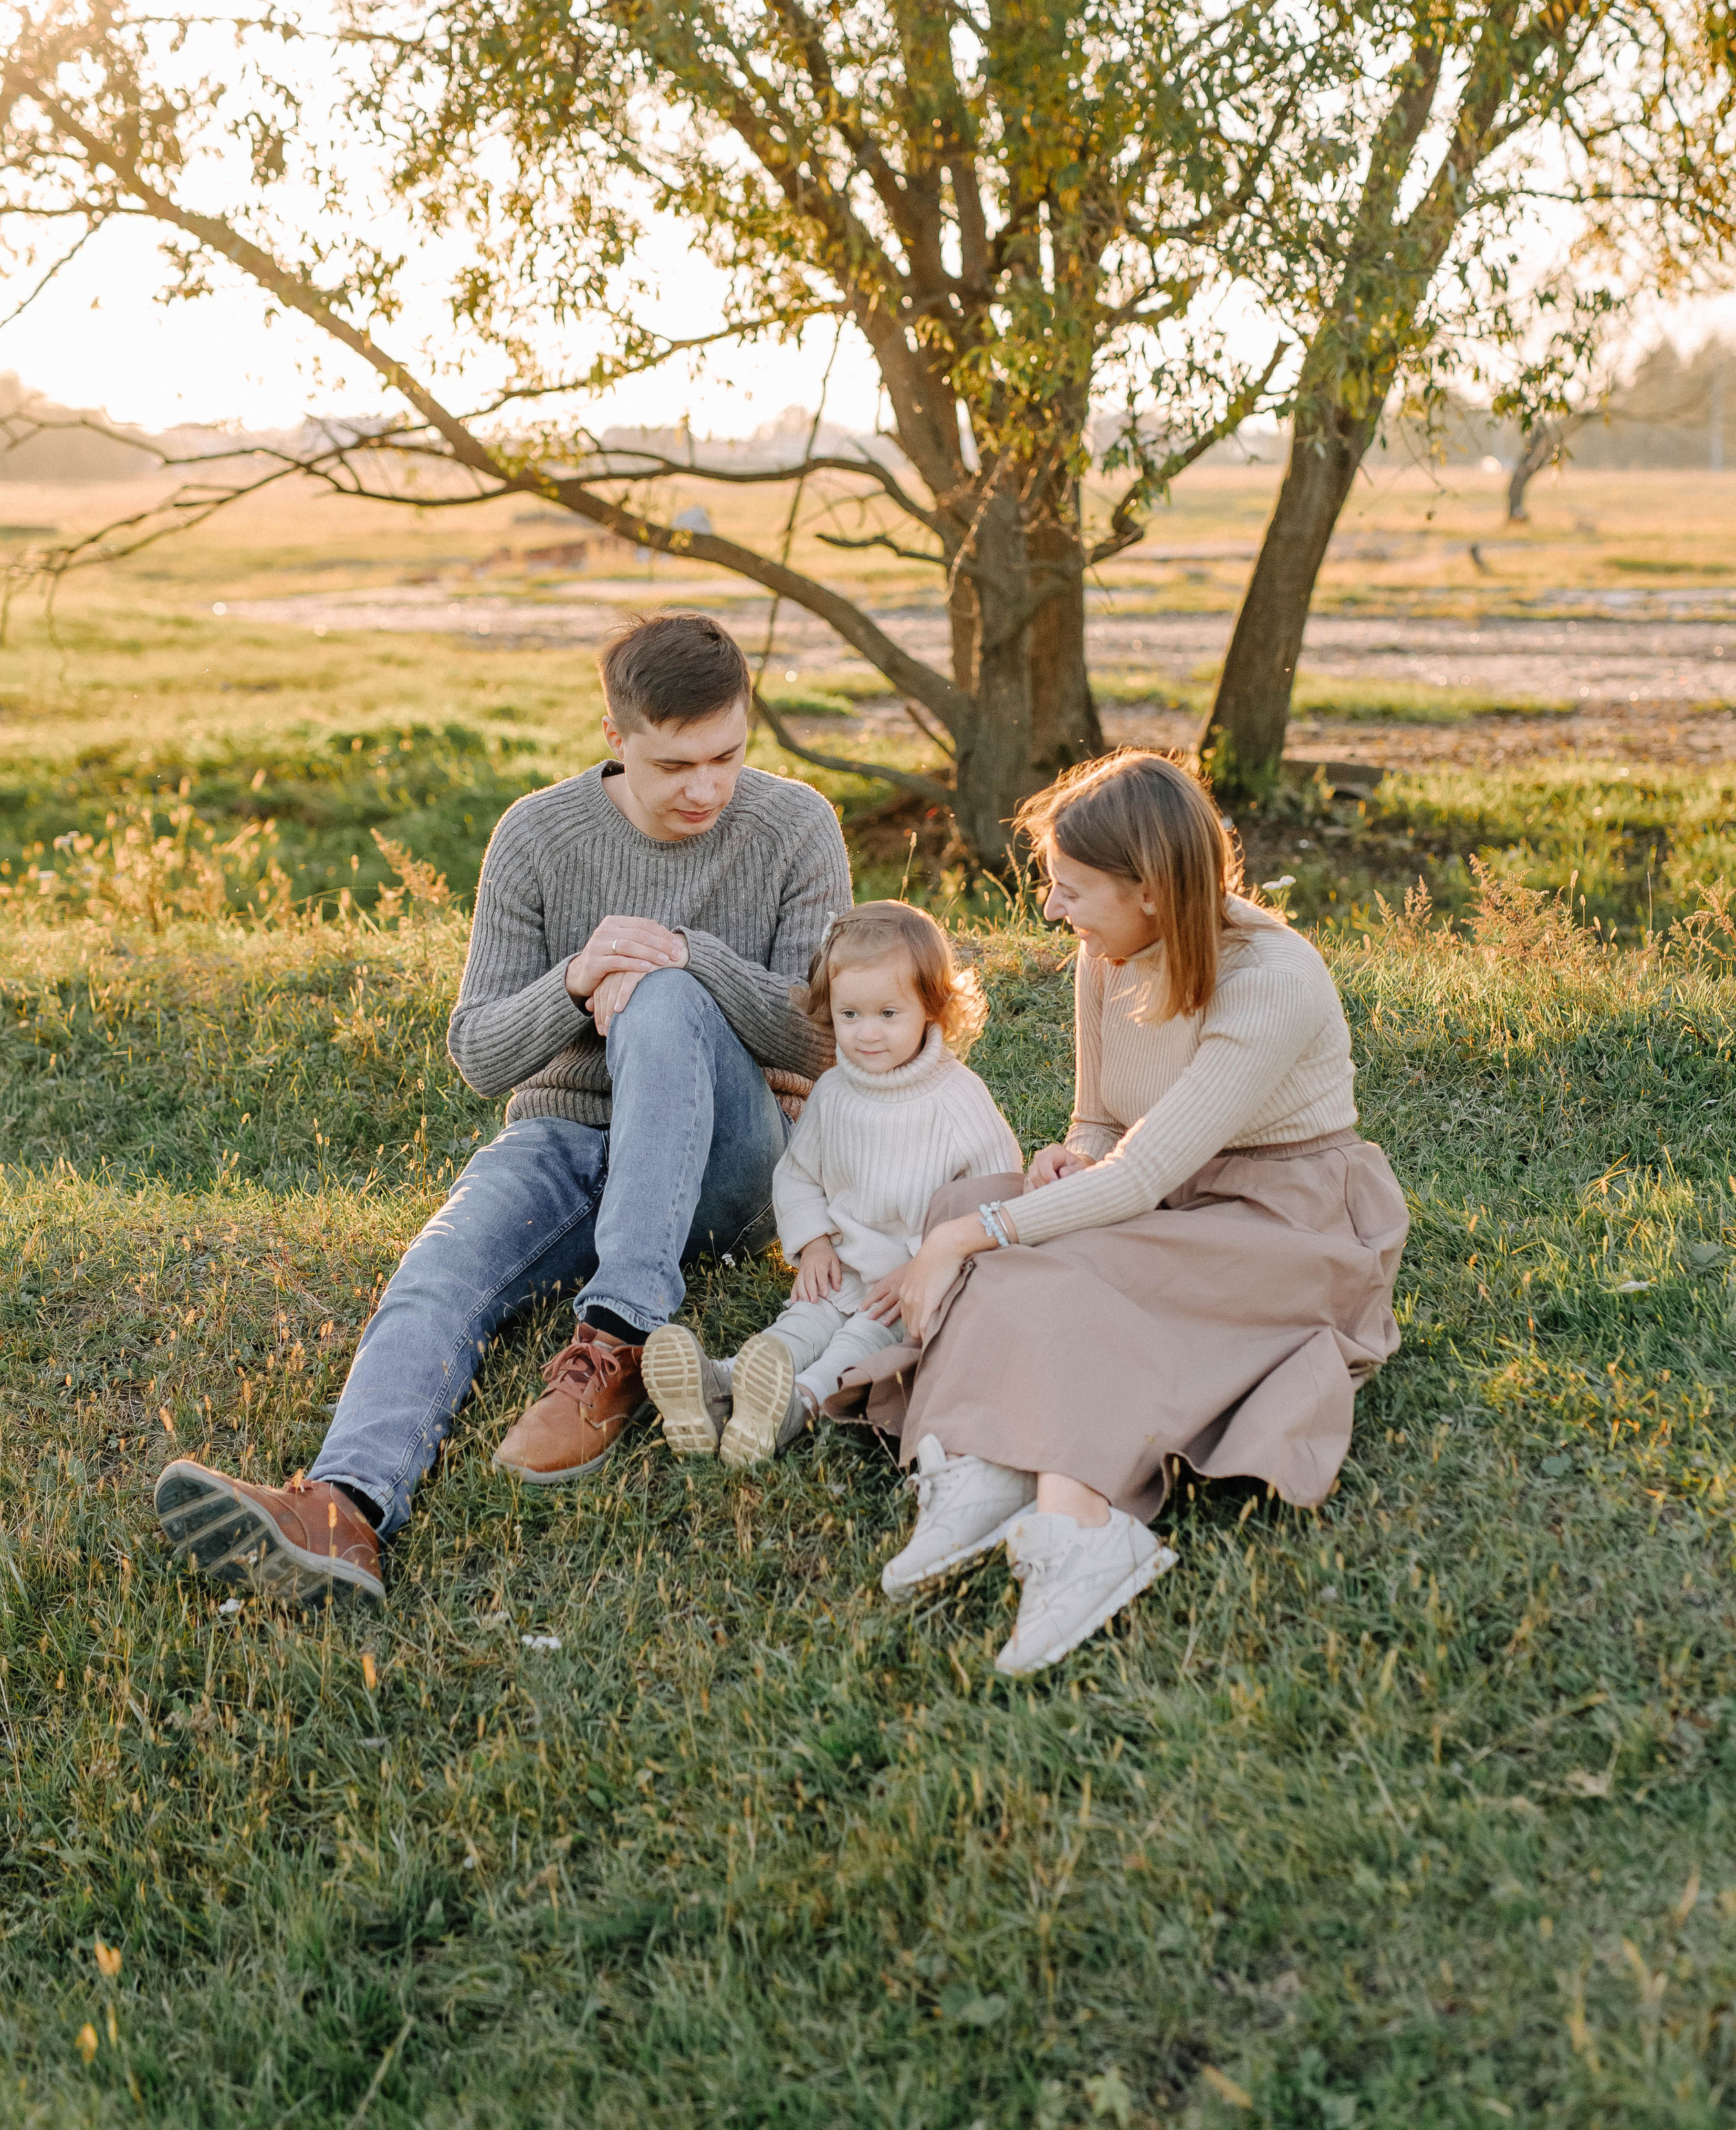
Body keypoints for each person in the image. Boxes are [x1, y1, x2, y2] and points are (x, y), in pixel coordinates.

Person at [154, 610, 850, 1606]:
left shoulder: (796, 825)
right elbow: (479, 1055)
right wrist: (576, 979)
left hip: (729, 1159)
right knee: (439, 1274)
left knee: (662, 990)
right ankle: (343, 1511)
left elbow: (826, 1038)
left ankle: (618, 1337)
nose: (706, 787)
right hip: (564, 1139)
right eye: (674, 765)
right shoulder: (536, 834)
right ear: (615, 739)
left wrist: (679, 962)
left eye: (727, 754)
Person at [878, 750, 1408, 1678]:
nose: (1053, 909)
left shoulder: (1273, 978)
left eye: (1073, 889)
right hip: (1161, 1187)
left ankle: (1080, 1526)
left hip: (1282, 1215)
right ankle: (987, 1462)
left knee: (1043, 1256)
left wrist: (977, 1236)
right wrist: (1068, 1157)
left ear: (1154, 891)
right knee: (973, 1204)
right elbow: (1105, 1123)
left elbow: (1142, 1173)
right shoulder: (1104, 949)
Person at [641, 901, 1021, 1467]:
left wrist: (923, 1262)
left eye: (889, 1014)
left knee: (857, 1343)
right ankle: (720, 1382)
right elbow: (798, 1175)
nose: (867, 1035)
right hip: (843, 1268)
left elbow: (997, 1193)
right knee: (800, 1323)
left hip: (909, 1286)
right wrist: (815, 1241)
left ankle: (796, 1404)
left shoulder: (956, 1099)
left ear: (932, 1007)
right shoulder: (833, 1093)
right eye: (850, 1015)